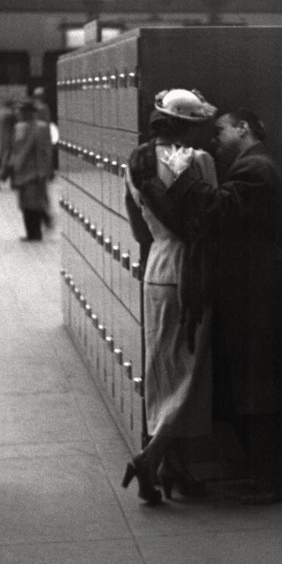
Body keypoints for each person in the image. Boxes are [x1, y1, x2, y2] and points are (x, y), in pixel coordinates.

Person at [162, 107, 282, 505]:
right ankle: (276, 478)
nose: (214, 140)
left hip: (265, 298)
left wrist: (181, 176)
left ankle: (279, 481)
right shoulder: (255, 166)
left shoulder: (255, 169)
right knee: (263, 391)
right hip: (262, 295)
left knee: (263, 393)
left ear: (243, 128)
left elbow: (215, 210)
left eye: (220, 132)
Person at [123, 88, 218, 505]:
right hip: (190, 271)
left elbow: (138, 228)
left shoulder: (137, 162)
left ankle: (172, 470)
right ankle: (152, 457)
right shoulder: (199, 162)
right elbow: (210, 218)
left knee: (162, 370)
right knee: (189, 373)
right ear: (189, 126)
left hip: (156, 269)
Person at [9, 98, 54, 241]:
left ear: (30, 113)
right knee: (24, 204)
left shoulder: (40, 127)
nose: (18, 113)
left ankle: (36, 233)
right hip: (21, 171)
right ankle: (30, 232)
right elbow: (16, 149)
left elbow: (44, 151)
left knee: (33, 203)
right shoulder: (19, 127)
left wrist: (44, 171)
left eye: (21, 111)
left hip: (34, 172)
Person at [0, 97, 18, 189]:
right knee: (12, 161)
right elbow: (15, 117)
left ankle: (11, 181)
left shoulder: (3, 112)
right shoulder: (8, 113)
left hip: (7, 138)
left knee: (11, 160)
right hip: (11, 139)